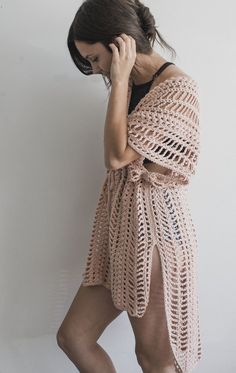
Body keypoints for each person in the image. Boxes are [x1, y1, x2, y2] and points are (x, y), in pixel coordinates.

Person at [56, 1, 202, 372]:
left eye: (95, 58)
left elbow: (117, 156)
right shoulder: (133, 84)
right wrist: (121, 81)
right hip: (120, 235)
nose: (94, 69)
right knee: (74, 337)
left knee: (154, 359)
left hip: (156, 240)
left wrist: (118, 80)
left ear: (120, 44)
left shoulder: (177, 90)